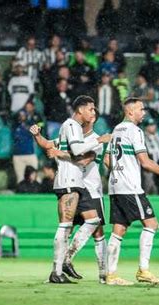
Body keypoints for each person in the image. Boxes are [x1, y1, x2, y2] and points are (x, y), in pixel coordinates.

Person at [103, 97, 159, 286]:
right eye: (141, 109)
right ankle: (143, 270)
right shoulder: (135, 131)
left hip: (115, 186)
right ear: (130, 112)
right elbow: (145, 162)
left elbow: (107, 160)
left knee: (118, 229)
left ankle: (111, 275)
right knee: (152, 224)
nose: (144, 112)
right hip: (130, 187)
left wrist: (119, 171)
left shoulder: (115, 130)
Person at [34, 95, 111, 283]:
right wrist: (100, 140)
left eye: (94, 111)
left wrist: (49, 144)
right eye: (91, 109)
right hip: (70, 180)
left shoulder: (83, 135)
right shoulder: (71, 127)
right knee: (66, 225)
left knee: (94, 223)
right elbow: (74, 152)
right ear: (81, 111)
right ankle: (57, 270)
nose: (93, 113)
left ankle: (73, 264)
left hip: (86, 187)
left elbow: (79, 157)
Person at [12, 111, 38, 183]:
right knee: (20, 179)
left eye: (23, 115)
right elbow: (16, 136)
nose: (22, 117)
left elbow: (35, 131)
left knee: (34, 177)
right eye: (20, 115)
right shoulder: (15, 126)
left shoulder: (30, 124)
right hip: (18, 155)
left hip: (30, 154)